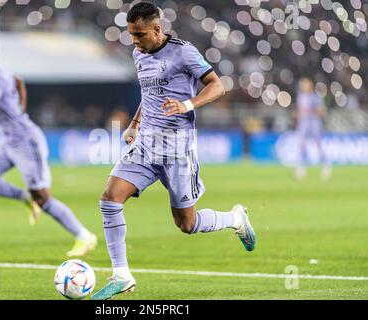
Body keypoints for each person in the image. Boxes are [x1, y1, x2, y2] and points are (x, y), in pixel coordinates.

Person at [92, 2, 256, 300]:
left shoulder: (184, 52)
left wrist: (187, 104)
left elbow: (217, 86)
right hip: (145, 145)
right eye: (131, 34)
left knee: (187, 224)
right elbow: (149, 92)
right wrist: (135, 123)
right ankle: (121, 275)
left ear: (157, 29)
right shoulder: (138, 53)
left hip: (178, 148)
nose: (134, 41)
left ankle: (236, 219)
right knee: (110, 197)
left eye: (139, 34)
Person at [0, 35, 97, 257]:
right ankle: (25, 197)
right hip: (8, 140)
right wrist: (20, 110)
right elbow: (19, 81)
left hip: (26, 142)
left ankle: (84, 236)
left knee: (43, 198)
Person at [293, 77, 331, 180]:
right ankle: (300, 169)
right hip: (303, 123)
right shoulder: (300, 96)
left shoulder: (315, 97)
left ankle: (325, 166)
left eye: (305, 84)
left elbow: (322, 111)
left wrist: (311, 111)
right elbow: (299, 110)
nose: (303, 86)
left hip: (314, 122)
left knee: (318, 144)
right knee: (300, 145)